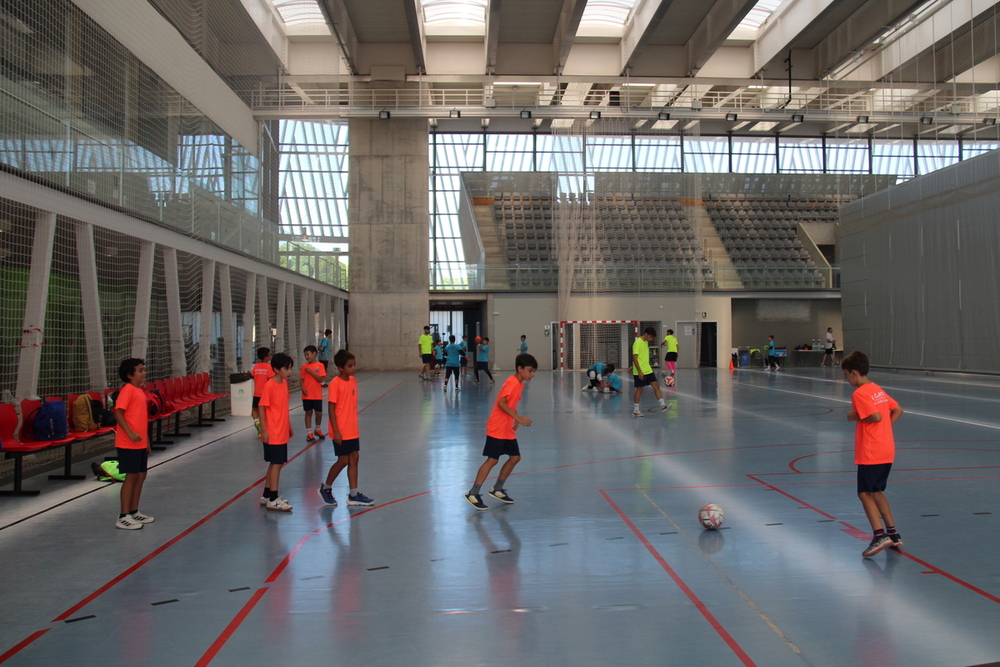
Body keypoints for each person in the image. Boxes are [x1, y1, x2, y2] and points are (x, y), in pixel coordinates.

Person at [842, 351, 904, 557]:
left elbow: (876, 417)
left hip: (871, 451)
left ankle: (879, 536)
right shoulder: (877, 389)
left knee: (864, 493)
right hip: (886, 448)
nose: (846, 379)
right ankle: (893, 533)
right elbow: (898, 410)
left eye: (846, 374)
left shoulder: (859, 394)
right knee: (877, 491)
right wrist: (886, 428)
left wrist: (855, 416)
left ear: (854, 373)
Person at [465, 353, 537, 510]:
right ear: (520, 368)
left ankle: (497, 488)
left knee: (515, 457)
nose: (532, 374)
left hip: (507, 427)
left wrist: (514, 419)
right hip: (497, 426)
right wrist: (518, 417)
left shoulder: (519, 384)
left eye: (534, 371)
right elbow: (501, 403)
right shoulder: (512, 382)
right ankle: (473, 493)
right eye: (530, 371)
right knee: (493, 460)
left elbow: (511, 402)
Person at [318, 349, 375, 507]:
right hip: (340, 430)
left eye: (354, 365)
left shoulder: (352, 381)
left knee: (354, 459)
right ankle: (326, 487)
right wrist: (336, 430)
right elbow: (331, 408)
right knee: (343, 460)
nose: (354, 368)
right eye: (350, 366)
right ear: (340, 368)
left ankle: (354, 494)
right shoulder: (335, 384)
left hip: (352, 429)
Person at [112, 358, 154, 530]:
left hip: (140, 443)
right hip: (127, 443)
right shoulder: (127, 390)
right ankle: (123, 516)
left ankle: (134, 510)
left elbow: (142, 420)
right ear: (130, 375)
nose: (144, 372)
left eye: (144, 369)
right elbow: (118, 412)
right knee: (131, 477)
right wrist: (130, 433)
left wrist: (147, 442)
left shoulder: (140, 391)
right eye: (140, 370)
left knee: (140, 476)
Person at [258, 352, 294, 511]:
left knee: (275, 463)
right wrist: (263, 430)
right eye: (286, 368)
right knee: (277, 464)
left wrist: (289, 425)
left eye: (290, 368)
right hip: (272, 432)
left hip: (281, 430)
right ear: (276, 369)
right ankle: (273, 498)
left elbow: (283, 407)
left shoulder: (283, 384)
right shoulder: (270, 385)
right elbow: (261, 407)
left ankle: (266, 495)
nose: (290, 371)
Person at [632, 327, 668, 417]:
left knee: (656, 385)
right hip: (640, 371)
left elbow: (642, 357)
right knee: (640, 389)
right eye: (651, 337)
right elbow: (635, 357)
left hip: (648, 369)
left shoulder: (646, 342)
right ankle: (636, 410)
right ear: (646, 334)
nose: (651, 339)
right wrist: (639, 371)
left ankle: (663, 405)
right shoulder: (638, 342)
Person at [300, 345, 326, 442]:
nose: (307, 357)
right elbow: (301, 380)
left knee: (318, 413)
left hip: (317, 395)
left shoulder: (320, 366)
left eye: (308, 354)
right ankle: (309, 433)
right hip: (307, 395)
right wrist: (302, 388)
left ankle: (318, 429)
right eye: (305, 355)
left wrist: (311, 372)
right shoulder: (304, 367)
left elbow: (320, 379)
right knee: (308, 413)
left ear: (314, 353)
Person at [251, 347, 274, 432]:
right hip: (265, 394)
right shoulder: (269, 367)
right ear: (265, 357)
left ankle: (256, 421)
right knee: (264, 411)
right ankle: (264, 427)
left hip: (256, 393)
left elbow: (253, 376)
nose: (271, 356)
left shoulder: (255, 367)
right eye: (270, 354)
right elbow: (271, 380)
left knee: (254, 409)